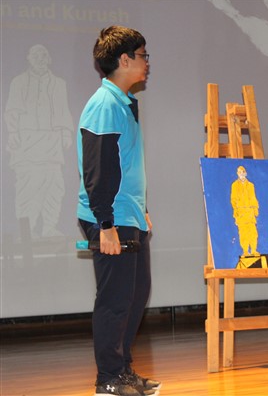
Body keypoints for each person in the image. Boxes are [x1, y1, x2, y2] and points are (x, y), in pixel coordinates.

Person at [77, 26, 161, 396]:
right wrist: (105, 223)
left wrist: (141, 210)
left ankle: (123, 371)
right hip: (110, 218)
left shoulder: (122, 103)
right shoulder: (105, 105)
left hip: (128, 215)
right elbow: (99, 168)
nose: (147, 63)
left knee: (135, 295)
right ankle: (108, 379)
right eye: (143, 55)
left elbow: (125, 166)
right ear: (124, 60)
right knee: (115, 301)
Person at [4, 44, 74, 238]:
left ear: (49, 59)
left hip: (52, 143)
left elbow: (63, 110)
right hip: (27, 142)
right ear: (28, 58)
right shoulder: (18, 82)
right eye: (35, 55)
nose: (40, 59)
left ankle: (49, 227)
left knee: (54, 185)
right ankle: (27, 230)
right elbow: (12, 110)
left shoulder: (59, 83)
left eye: (44, 55)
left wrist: (66, 133)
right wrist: (13, 133)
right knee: (28, 187)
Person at [231, 165, 260, 257]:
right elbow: (233, 199)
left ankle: (254, 250)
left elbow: (253, 197)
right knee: (243, 233)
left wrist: (255, 209)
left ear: (246, 173)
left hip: (250, 212)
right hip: (241, 213)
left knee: (253, 232)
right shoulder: (235, 185)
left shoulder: (251, 185)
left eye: (243, 172)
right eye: (240, 172)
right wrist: (236, 211)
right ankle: (245, 251)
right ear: (237, 174)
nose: (241, 174)